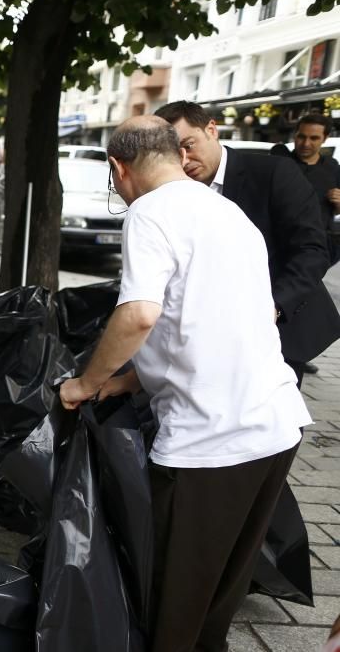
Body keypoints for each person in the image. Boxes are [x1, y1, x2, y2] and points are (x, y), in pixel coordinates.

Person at [60, 115, 311, 652]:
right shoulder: (227, 212)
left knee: (175, 600)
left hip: (213, 441)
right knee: (220, 594)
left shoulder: (149, 213)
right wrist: (132, 379)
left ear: (117, 168)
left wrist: (86, 382)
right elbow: (213, 317)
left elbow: (140, 316)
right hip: (277, 426)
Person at [155, 100, 340, 386]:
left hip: (277, 328)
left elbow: (312, 252)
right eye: (172, 153)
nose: (183, 160)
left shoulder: (274, 173)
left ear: (212, 130)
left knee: (276, 426)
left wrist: (272, 308)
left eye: (188, 145)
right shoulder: (174, 190)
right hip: (204, 337)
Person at [291, 113, 340, 265]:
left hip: (317, 247)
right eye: (301, 136)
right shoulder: (280, 164)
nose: (306, 143)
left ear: (324, 139)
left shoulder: (333, 168)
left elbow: (337, 214)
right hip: (281, 244)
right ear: (295, 135)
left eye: (314, 138)